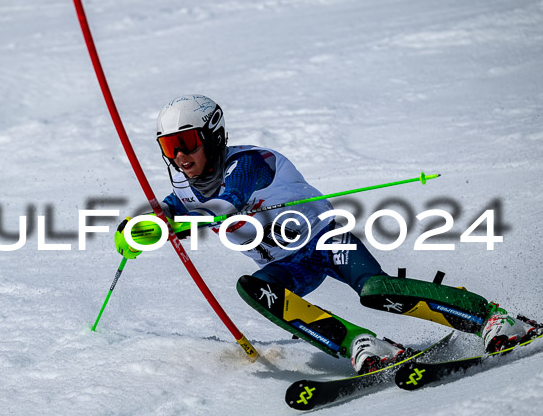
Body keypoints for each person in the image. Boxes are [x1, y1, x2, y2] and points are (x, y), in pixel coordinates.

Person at [114, 94, 539, 373]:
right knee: (254, 289)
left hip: (325, 240)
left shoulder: (248, 163)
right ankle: (361, 345)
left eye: (188, 141)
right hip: (286, 265)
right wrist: (134, 230)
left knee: (374, 289)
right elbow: (168, 210)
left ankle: (493, 318)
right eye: (170, 148)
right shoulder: (185, 186)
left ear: (213, 135)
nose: (181, 156)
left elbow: (224, 206)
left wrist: (177, 222)